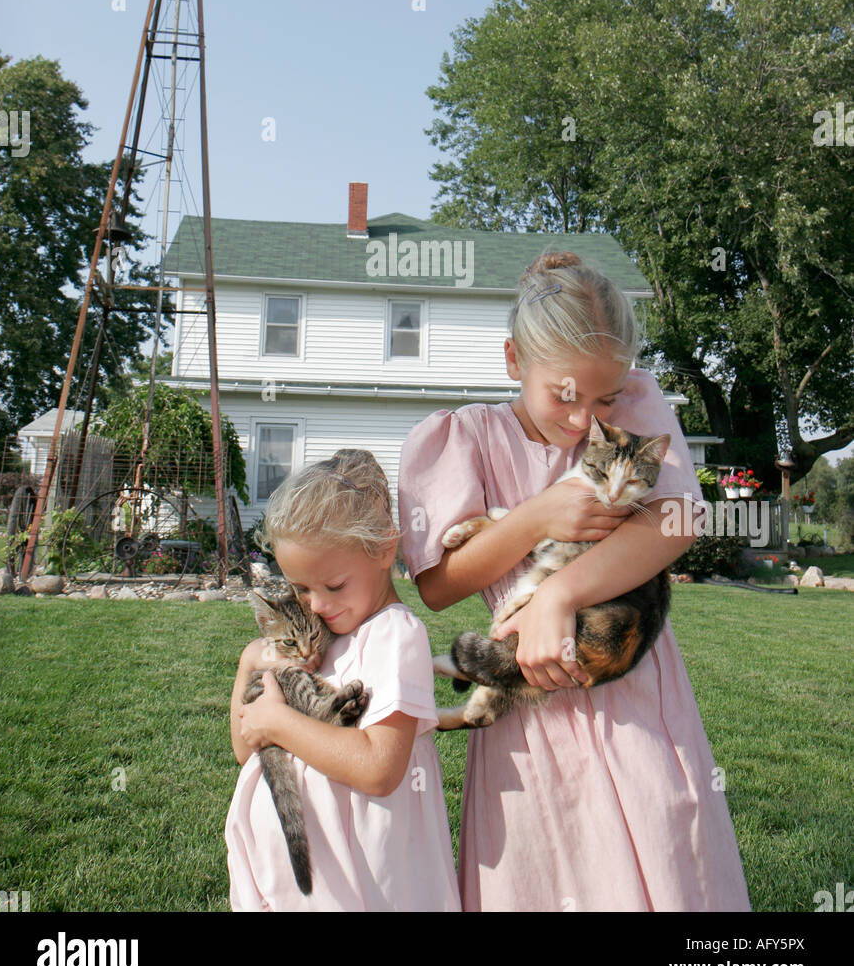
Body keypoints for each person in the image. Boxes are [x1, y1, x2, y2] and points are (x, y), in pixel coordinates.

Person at [398, 251, 752, 913]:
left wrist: (559, 593)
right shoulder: (465, 437)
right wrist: (538, 514)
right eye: (564, 394)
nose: (584, 418)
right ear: (513, 360)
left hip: (635, 699)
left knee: (661, 854)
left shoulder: (636, 416)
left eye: (606, 397)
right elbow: (439, 584)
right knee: (549, 871)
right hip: (526, 709)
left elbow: (673, 522)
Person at [225, 449, 461, 912]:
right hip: (301, 878)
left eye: (332, 586)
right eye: (301, 588)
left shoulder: (395, 636)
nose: (315, 605)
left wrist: (279, 724)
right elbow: (243, 746)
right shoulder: (325, 635)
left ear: (383, 549)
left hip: (365, 881)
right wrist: (248, 663)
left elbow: (379, 769)